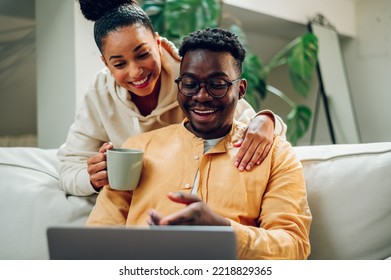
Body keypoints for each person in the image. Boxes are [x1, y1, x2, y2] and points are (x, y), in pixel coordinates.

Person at [87, 27, 312, 260]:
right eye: (190, 83)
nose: (201, 96)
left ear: (241, 89)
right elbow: (99, 234)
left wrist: (223, 231)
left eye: (217, 84)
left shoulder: (276, 154)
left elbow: (294, 246)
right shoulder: (137, 149)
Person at [57, 0, 287, 196]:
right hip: (139, 204)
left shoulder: (192, 76)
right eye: (119, 64)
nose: (136, 72)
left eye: (143, 54)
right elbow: (68, 168)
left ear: (157, 43)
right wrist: (92, 179)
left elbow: (251, 121)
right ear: (106, 64)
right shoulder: (101, 93)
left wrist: (267, 121)